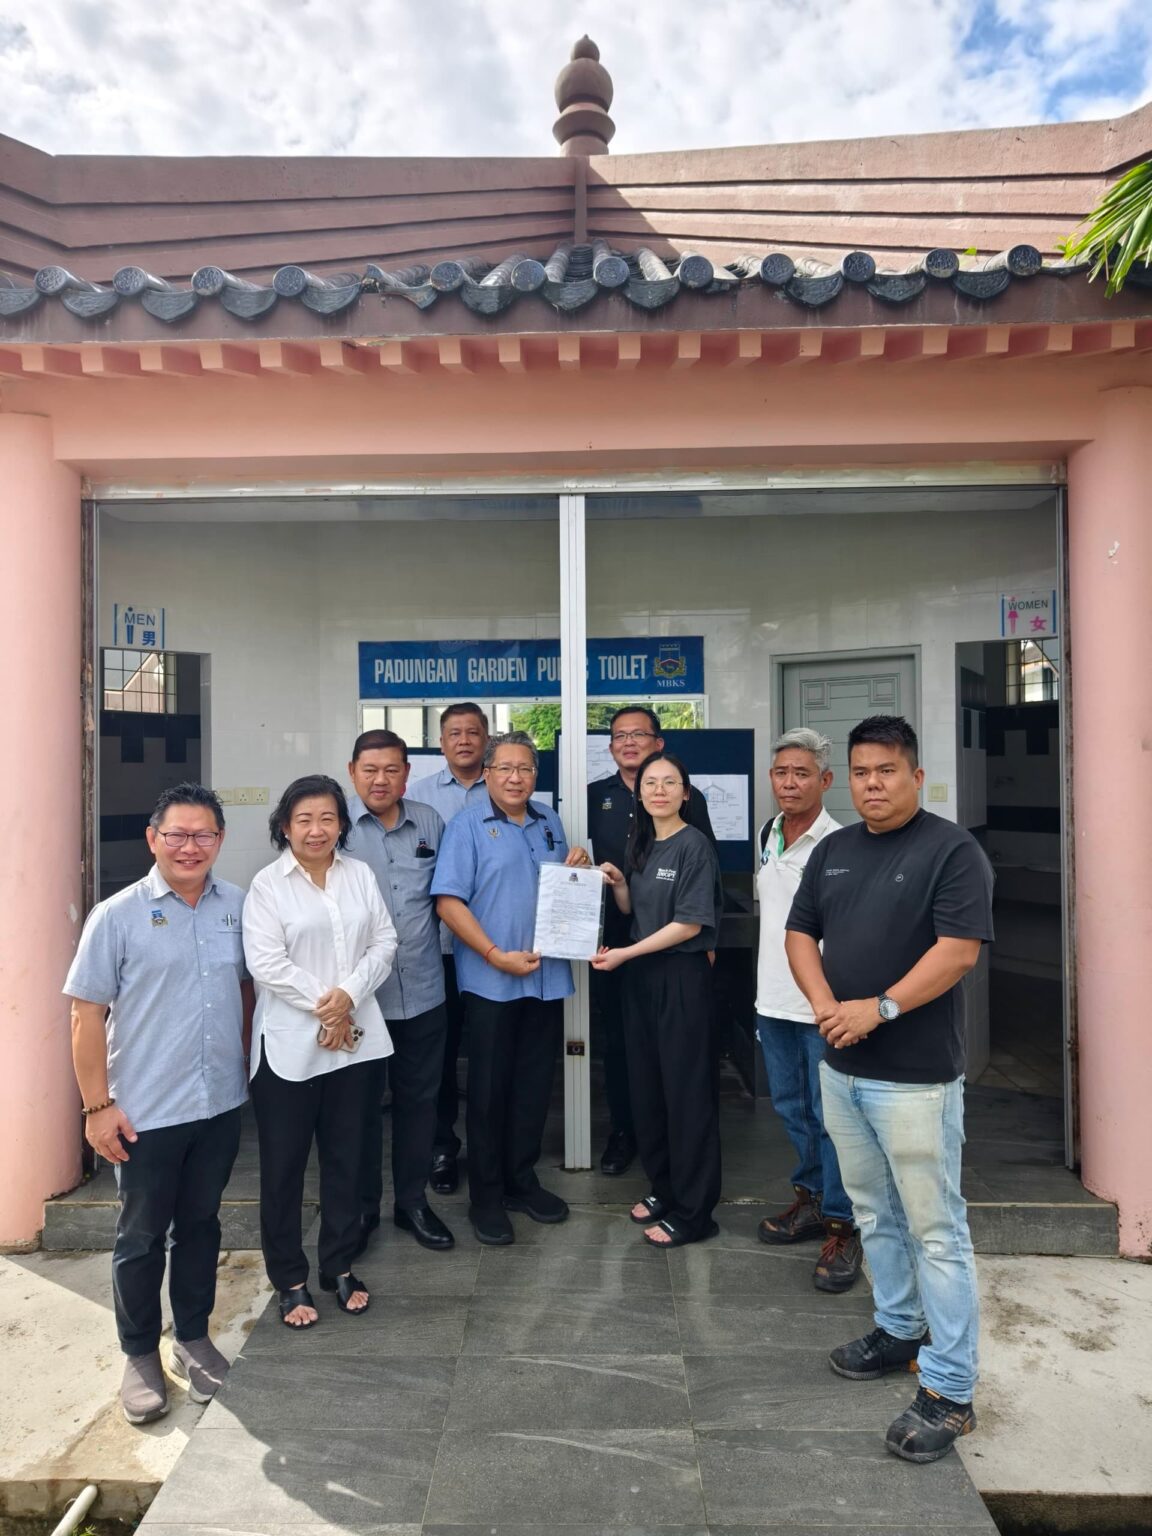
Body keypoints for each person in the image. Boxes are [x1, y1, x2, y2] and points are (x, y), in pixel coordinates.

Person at [785, 715, 994, 1464]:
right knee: (874, 1213)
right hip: (842, 1072)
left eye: (887, 771)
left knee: (936, 1229)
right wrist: (825, 1007)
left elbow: (958, 952)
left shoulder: (951, 850)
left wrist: (877, 1009)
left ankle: (951, 1390)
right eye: (862, 772)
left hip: (916, 1081)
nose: (873, 784)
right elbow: (799, 932)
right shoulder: (835, 850)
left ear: (915, 775)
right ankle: (900, 1330)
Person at [64, 783, 251, 1425]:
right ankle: (139, 1352)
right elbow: (85, 1015)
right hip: (144, 1112)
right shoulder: (116, 915)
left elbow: (250, 987)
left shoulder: (238, 906)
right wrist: (97, 1107)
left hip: (219, 1103)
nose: (189, 846)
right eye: (177, 834)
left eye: (203, 835)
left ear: (220, 840)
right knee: (141, 1236)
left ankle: (192, 1337)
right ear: (153, 839)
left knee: (201, 1225)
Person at [243, 774, 398, 1327]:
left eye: (328, 818)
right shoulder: (267, 886)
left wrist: (349, 996)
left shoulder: (359, 875)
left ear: (342, 824)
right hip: (289, 1048)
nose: (316, 829)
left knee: (347, 1161)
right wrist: (330, 1006)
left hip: (355, 1045)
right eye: (304, 819)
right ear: (285, 826)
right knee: (284, 1169)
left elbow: (385, 941)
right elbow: (266, 963)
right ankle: (289, 1277)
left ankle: (339, 1264)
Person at [431, 730, 589, 1245]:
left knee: (533, 1087)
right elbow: (448, 903)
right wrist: (495, 954)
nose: (516, 777)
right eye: (505, 768)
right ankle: (486, 1195)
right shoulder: (467, 826)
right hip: (491, 980)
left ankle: (522, 1181)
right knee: (488, 1090)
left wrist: (579, 872)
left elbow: (560, 889)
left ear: (535, 775)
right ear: (488, 774)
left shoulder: (549, 821)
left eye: (525, 769)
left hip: (545, 977)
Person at [592, 751, 724, 1248]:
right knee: (648, 1089)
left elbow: (688, 924)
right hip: (641, 978)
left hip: (680, 976)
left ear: (685, 793)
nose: (659, 790)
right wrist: (620, 884)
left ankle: (695, 1212)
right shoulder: (641, 841)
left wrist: (625, 953)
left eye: (670, 783)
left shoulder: (695, 846)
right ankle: (665, 1187)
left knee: (686, 1094)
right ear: (639, 794)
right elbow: (634, 910)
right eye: (650, 783)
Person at [755, 728, 862, 1293]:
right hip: (772, 1001)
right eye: (781, 773)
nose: (789, 783)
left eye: (801, 773)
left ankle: (845, 1226)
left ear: (825, 780)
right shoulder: (769, 832)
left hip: (821, 1006)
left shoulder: (840, 844)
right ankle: (813, 1200)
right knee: (793, 1110)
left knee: (833, 1119)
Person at [345, 728, 453, 1252]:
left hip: (425, 989)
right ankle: (363, 1209)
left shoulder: (429, 822)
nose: (381, 780)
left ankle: (412, 1203)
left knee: (420, 1104)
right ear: (352, 773)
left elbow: (451, 893)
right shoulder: (336, 828)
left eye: (392, 769)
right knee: (362, 1109)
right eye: (370, 770)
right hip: (362, 999)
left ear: (407, 774)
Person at [408, 702, 491, 1195]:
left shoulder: (506, 787)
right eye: (454, 733)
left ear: (486, 739)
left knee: (489, 1054)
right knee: (437, 1058)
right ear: (441, 743)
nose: (463, 740)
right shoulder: (417, 797)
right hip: (435, 950)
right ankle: (441, 1148)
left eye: (472, 732)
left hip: (493, 951)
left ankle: (490, 1148)